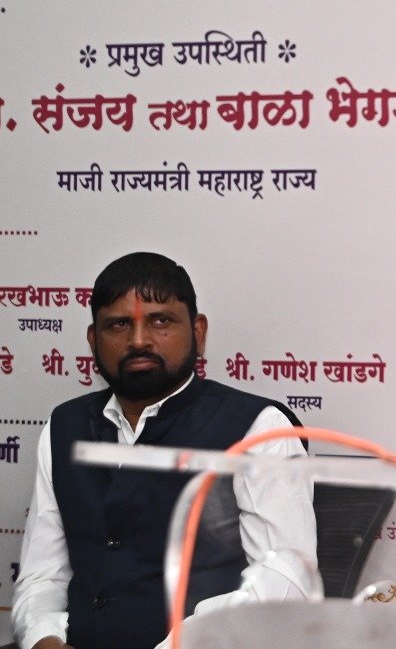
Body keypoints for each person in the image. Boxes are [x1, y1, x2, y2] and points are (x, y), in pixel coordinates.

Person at [10, 252, 318, 649]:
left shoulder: (259, 429)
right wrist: (43, 639)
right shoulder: (64, 426)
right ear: (93, 340)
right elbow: (42, 575)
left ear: (198, 332)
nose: (139, 341)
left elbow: (285, 583)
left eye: (160, 321)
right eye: (119, 324)